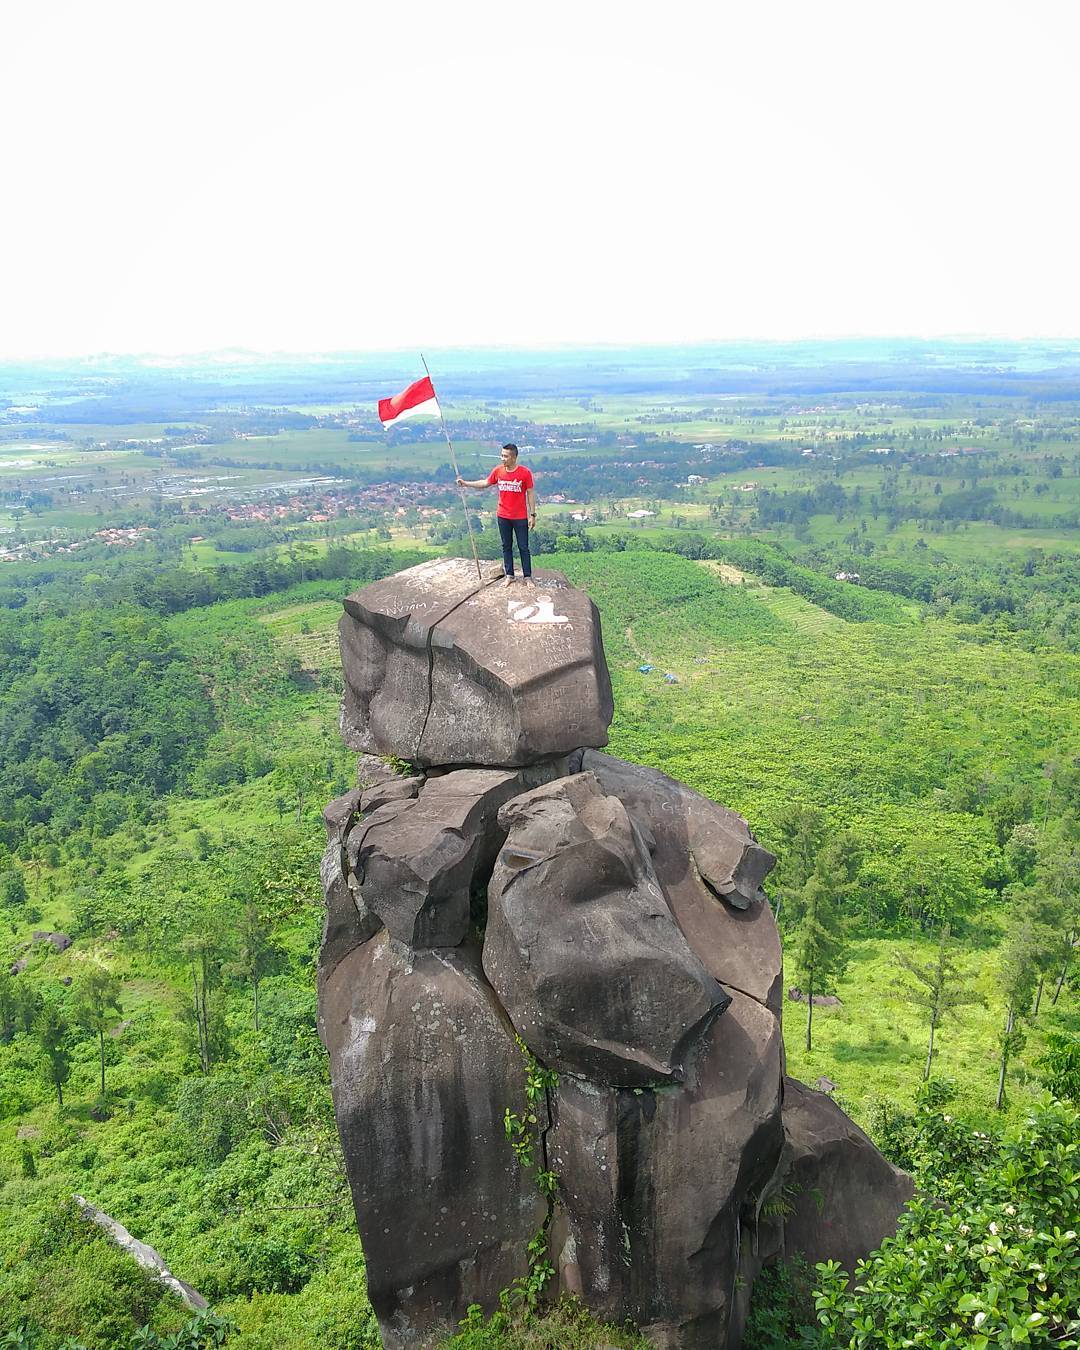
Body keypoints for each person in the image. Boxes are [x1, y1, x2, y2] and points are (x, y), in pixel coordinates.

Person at [457, 443, 537, 586]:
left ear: (514, 457)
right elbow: (485, 483)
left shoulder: (525, 473)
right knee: (506, 546)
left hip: (520, 517)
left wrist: (533, 514)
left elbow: (530, 493)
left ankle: (527, 576)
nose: (502, 459)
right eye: (501, 455)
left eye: (505, 456)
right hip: (503, 515)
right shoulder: (498, 471)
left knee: (523, 547)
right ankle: (510, 575)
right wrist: (466, 484)